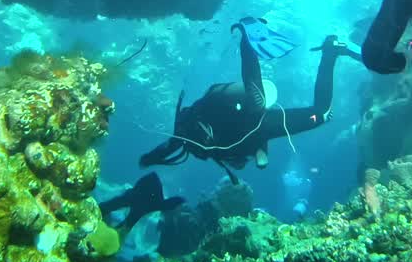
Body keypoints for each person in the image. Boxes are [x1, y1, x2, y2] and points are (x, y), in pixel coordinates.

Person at [140, 18, 360, 183]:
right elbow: (169, 147)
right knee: (317, 113)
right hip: (247, 116)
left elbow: (169, 146)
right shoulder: (238, 146)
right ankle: (330, 51)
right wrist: (149, 158)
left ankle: (248, 35)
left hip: (237, 108)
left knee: (263, 104)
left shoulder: (201, 140)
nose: (238, 164)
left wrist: (149, 158)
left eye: (238, 163)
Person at [98, 172, 185, 237]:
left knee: (122, 222)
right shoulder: (156, 201)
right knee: (122, 222)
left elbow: (152, 176)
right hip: (136, 198)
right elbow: (152, 177)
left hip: (136, 198)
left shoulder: (156, 202)